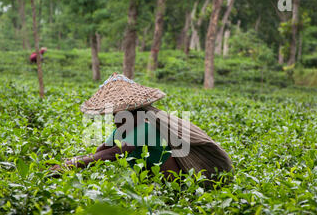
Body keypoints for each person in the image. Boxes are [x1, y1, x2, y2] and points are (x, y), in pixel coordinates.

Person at [50, 73, 233, 186]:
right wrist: (70, 163)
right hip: (155, 187)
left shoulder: (146, 127)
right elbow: (100, 151)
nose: (115, 120)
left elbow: (112, 154)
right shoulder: (124, 129)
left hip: (178, 188)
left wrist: (73, 164)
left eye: (117, 114)